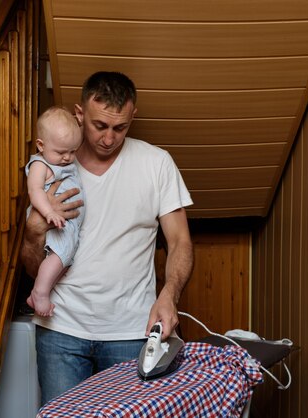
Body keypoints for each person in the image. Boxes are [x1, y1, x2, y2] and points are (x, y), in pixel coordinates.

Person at [20, 71, 194, 404]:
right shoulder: (52, 168)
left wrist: (170, 295)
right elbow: (31, 268)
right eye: (99, 126)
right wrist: (32, 233)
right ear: (79, 114)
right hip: (61, 331)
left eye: (120, 128)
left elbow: (180, 242)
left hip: (133, 333)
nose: (109, 138)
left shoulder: (156, 163)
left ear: (133, 118)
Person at [25, 106, 84, 317]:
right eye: (61, 152)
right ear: (41, 145)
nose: (68, 158)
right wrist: (49, 212)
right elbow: (35, 190)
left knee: (64, 263)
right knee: (58, 257)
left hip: (68, 224)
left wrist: (80, 121)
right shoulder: (40, 165)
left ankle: (42, 290)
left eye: (73, 151)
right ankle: (40, 293)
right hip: (54, 221)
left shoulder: (59, 157)